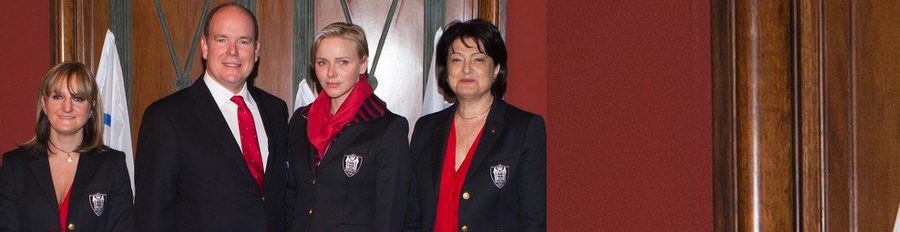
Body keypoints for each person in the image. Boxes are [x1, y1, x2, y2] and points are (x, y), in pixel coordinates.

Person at [134, 3, 291, 231]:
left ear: (256, 51)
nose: (233, 51)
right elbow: (151, 216)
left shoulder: (276, 110)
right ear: (205, 47)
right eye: (221, 40)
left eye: (243, 41)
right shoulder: (165, 117)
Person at [404, 19, 547, 232]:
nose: (466, 70)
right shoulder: (426, 128)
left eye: (478, 60)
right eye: (456, 60)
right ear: (446, 69)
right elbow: (412, 216)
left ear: (496, 69)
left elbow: (533, 221)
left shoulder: (524, 128)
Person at [288, 22, 411, 232]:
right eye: (322, 62)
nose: (330, 73)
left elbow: (391, 214)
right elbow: (291, 194)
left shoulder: (388, 127)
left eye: (343, 62)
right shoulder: (301, 120)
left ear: (362, 65)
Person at [0, 61, 134, 232]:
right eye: (58, 96)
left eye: (78, 98)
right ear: (45, 104)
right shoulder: (15, 165)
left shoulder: (112, 165)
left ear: (91, 108)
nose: (67, 107)